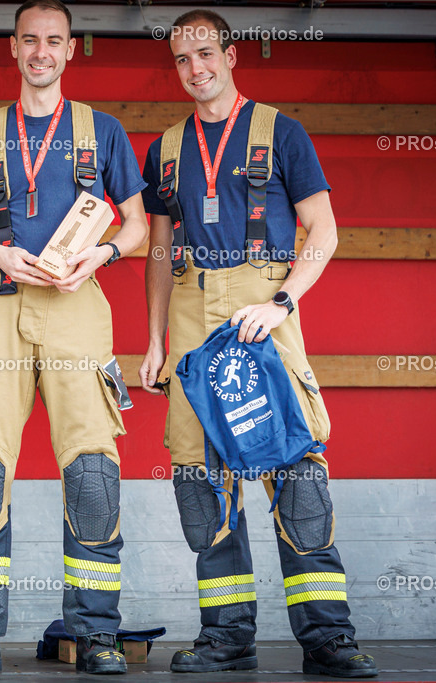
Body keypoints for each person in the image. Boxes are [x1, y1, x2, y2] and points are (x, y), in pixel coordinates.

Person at [137, 10, 378, 678]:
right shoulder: (166, 146)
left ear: (231, 54)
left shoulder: (283, 131)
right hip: (189, 310)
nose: (195, 69)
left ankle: (328, 635)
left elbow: (323, 232)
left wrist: (282, 301)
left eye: (206, 53)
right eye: (182, 60)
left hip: (262, 306)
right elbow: (158, 249)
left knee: (295, 463)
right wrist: (154, 338)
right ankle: (227, 633)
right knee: (197, 472)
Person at [0, 0, 149, 675]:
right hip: (1, 302)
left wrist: (103, 255)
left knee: (92, 472)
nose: (41, 52)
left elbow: (139, 225)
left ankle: (96, 633)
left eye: (54, 41)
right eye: (30, 40)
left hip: (78, 303)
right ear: (13, 46)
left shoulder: (102, 130)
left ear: (70, 49)